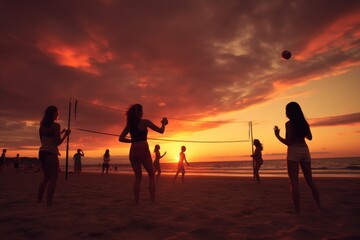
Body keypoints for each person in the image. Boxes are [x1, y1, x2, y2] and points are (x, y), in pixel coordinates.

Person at [274, 101, 320, 214]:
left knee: (294, 182)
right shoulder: (304, 123)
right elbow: (310, 137)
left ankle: (297, 211)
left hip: (294, 151)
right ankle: (319, 205)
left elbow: (288, 142)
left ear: (289, 112)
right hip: (305, 150)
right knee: (310, 181)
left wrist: (277, 136)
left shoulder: (289, 124)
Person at [119, 104, 168, 204]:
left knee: (138, 177)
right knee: (151, 175)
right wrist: (163, 123)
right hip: (143, 150)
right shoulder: (145, 122)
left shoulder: (129, 125)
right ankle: (152, 200)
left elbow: (121, 138)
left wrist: (132, 140)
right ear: (140, 112)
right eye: (142, 110)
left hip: (133, 151)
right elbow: (161, 131)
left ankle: (137, 202)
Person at [37, 105, 71, 207]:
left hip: (42, 152)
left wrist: (60, 133)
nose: (58, 114)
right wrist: (66, 135)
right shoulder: (56, 126)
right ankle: (49, 203)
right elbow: (56, 142)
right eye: (57, 113)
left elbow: (44, 140)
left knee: (46, 177)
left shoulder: (41, 126)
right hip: (51, 153)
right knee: (53, 178)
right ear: (53, 114)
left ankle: (39, 200)